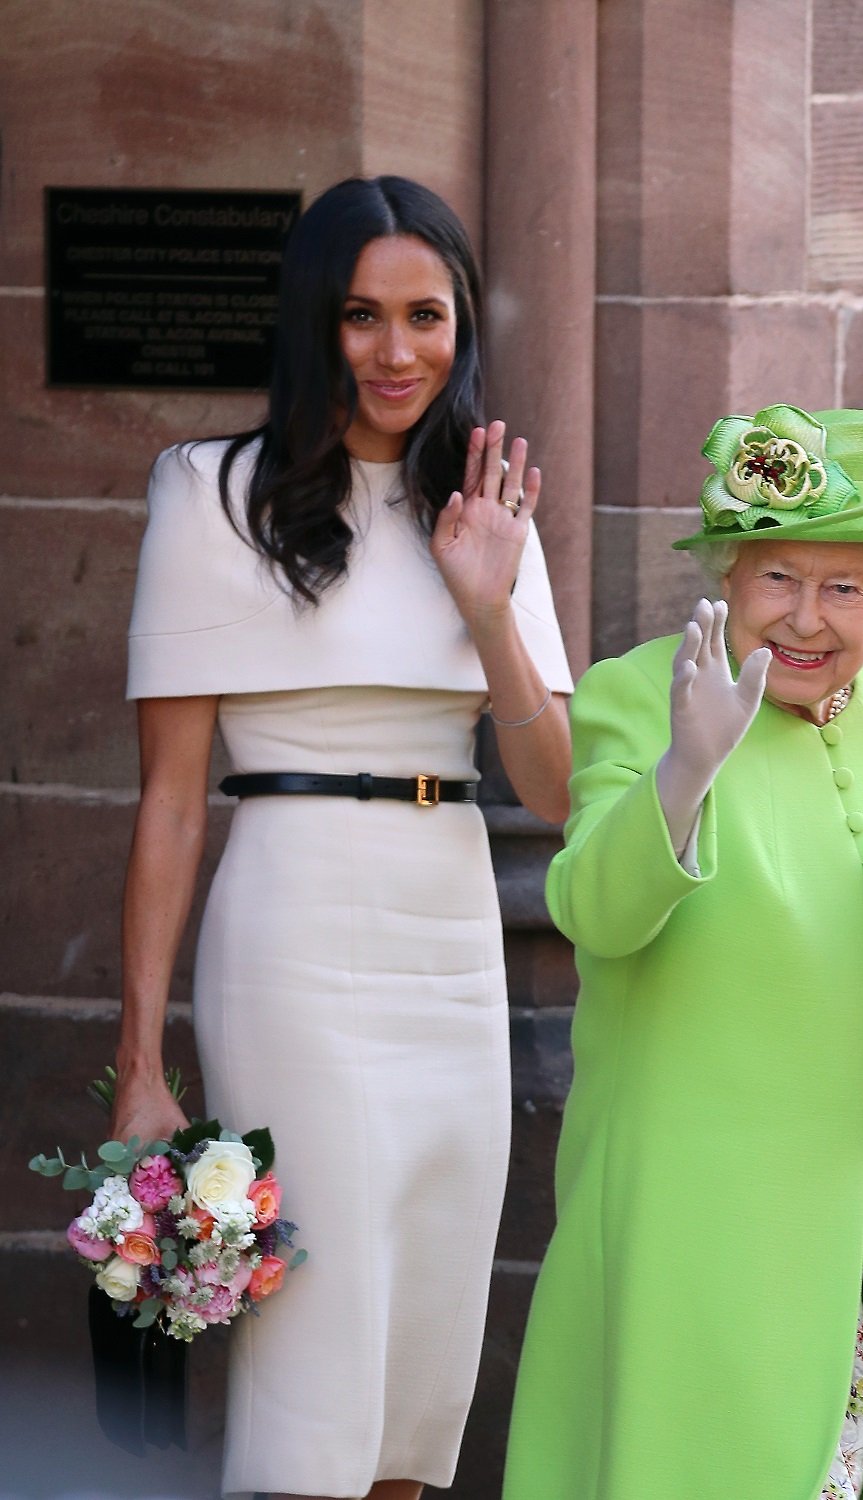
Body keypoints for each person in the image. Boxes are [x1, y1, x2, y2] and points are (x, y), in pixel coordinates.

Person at [110, 175, 573, 1500]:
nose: (395, 351)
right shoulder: (211, 493)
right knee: (319, 1345)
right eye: (360, 316)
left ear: (462, 323)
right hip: (294, 932)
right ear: (314, 324)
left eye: (424, 315)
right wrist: (140, 1060)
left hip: (448, 936)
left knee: (424, 1356)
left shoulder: (490, 503)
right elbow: (171, 800)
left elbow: (551, 791)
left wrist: (488, 604)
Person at [501, 405, 863, 1500]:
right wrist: (682, 773)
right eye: (779, 578)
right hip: (704, 1214)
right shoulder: (644, 692)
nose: (808, 619)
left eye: (846, 588)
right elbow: (591, 909)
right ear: (728, 577)